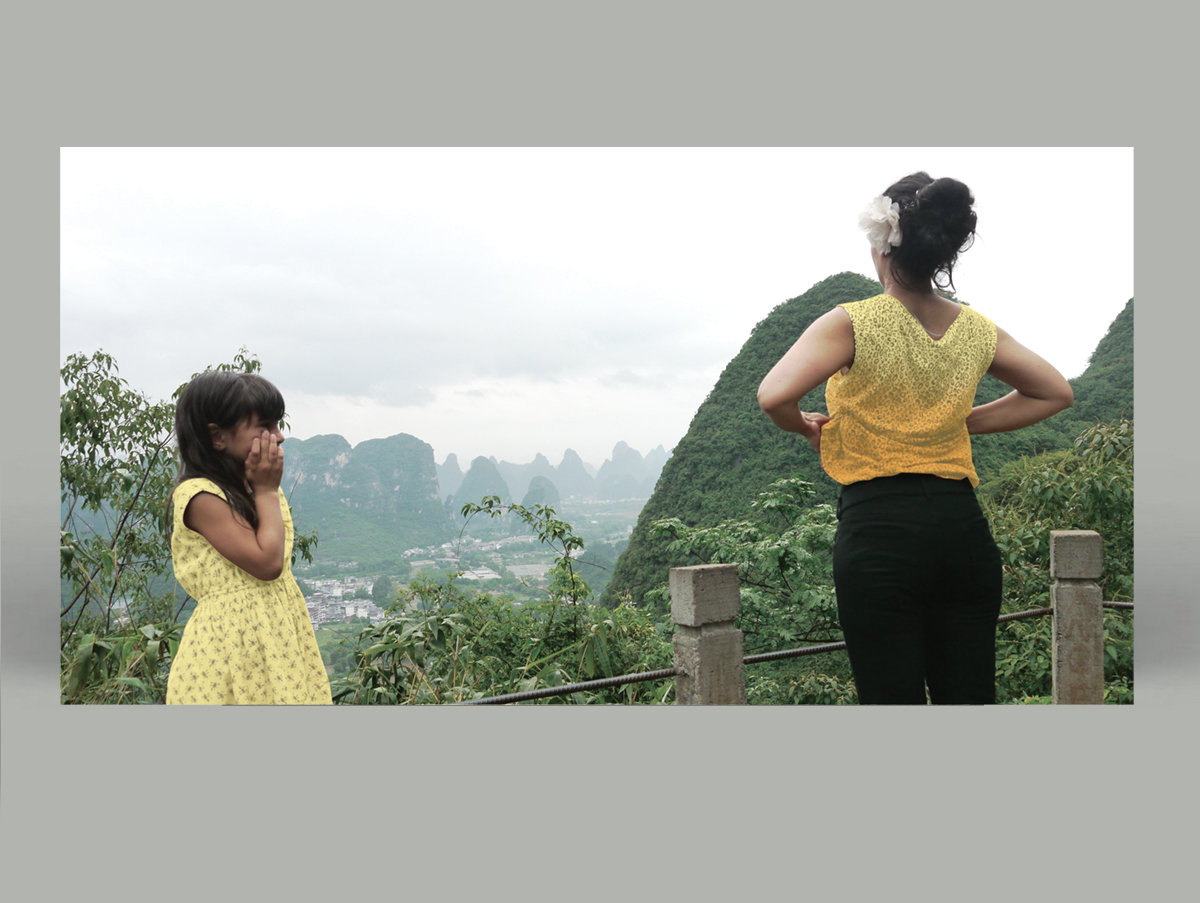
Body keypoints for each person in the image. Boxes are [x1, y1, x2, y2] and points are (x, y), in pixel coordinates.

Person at [756, 171, 1074, 704]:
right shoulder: (977, 328)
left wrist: (804, 425)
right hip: (962, 530)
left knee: (890, 698)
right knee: (968, 696)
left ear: (883, 245)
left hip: (879, 532)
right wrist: (961, 420)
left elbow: (773, 397)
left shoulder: (852, 322)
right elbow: (1055, 392)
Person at [165, 370, 332, 705]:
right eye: (265, 426)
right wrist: (267, 490)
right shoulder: (200, 497)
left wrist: (264, 489)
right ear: (218, 436)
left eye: (278, 424)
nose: (279, 436)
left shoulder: (255, 487)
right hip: (231, 652)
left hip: (277, 642)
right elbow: (267, 563)